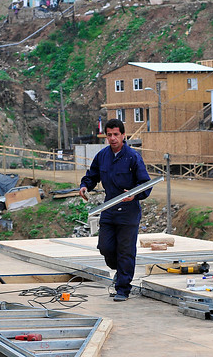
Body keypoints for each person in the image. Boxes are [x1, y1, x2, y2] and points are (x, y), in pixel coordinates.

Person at [79, 119, 151, 302]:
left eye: (116, 135)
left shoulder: (133, 157)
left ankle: (123, 289)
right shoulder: (102, 156)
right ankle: (118, 270)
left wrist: (134, 195)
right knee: (105, 247)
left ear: (123, 135)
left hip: (129, 211)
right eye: (109, 135)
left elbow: (145, 184)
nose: (112, 138)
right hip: (109, 209)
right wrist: (85, 186)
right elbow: (92, 176)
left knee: (126, 251)